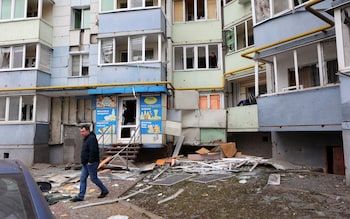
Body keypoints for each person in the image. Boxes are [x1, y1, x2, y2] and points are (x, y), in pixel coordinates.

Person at [70, 124, 109, 202]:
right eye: (81, 131)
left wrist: (90, 162)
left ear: (88, 130)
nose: (82, 133)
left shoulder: (91, 138)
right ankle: (80, 196)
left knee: (93, 178)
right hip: (86, 163)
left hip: (91, 163)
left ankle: (104, 190)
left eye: (83, 131)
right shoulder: (86, 138)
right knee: (82, 178)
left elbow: (93, 151)